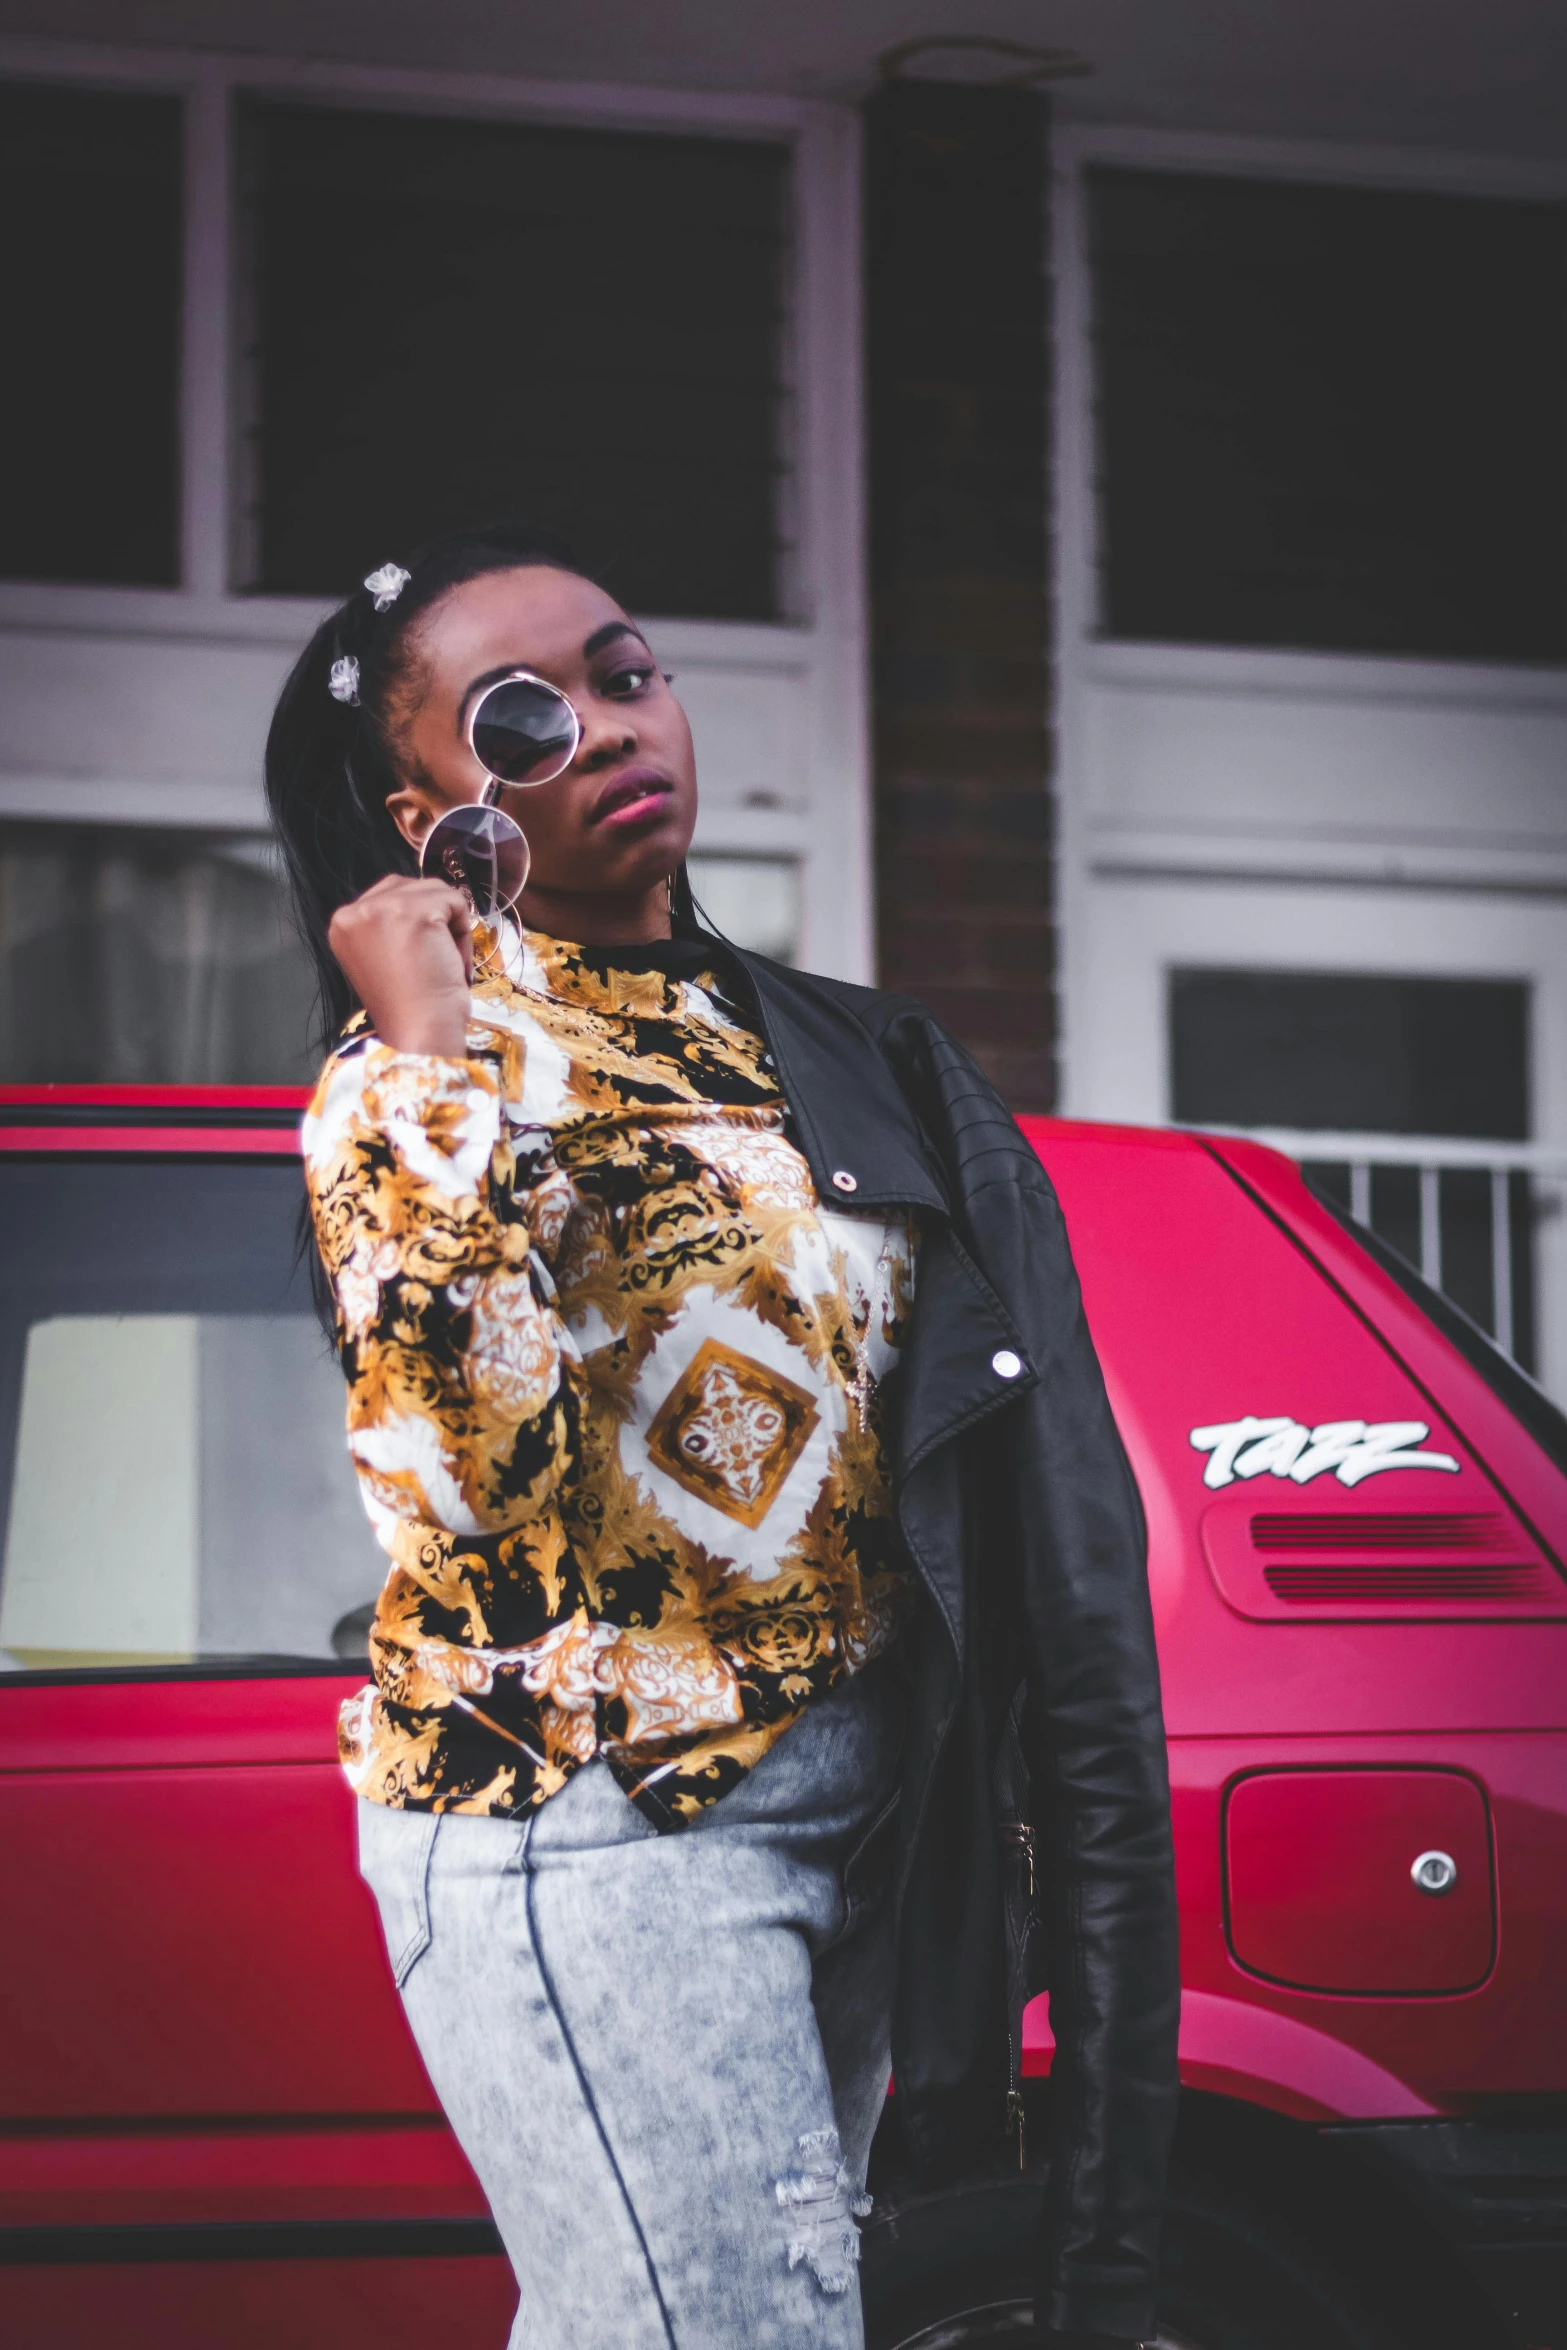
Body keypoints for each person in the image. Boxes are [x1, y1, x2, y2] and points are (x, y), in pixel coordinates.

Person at [267, 521, 1179, 2350]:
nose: (606, 729)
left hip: (854, 1786)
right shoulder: (408, 1075)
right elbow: (466, 1477)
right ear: (409, 807)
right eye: (518, 721)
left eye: (623, 674)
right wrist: (432, 1045)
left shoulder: (810, 1042)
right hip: (597, 1810)